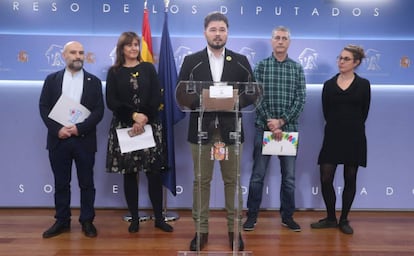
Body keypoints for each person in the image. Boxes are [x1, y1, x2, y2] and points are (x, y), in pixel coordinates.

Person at [177, 12, 254, 251]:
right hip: (201, 131)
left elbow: (251, 92)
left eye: (222, 29)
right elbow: (182, 93)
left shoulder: (241, 60)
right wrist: (205, 102)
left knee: (233, 182)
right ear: (205, 32)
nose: (218, 34)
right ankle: (201, 232)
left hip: (231, 131)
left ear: (227, 32)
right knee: (201, 182)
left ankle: (235, 232)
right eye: (213, 29)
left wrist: (233, 102)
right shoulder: (192, 60)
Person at [105, 31, 173, 233]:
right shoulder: (114, 72)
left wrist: (144, 117)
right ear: (122, 49)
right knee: (130, 174)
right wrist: (133, 117)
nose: (133, 48)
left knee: (153, 174)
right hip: (125, 127)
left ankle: (159, 218)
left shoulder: (148, 68)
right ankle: (134, 219)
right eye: (129, 45)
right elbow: (112, 101)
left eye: (136, 44)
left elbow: (156, 96)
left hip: (150, 125)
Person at [243, 26, 306, 232]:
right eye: (277, 38)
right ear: (272, 41)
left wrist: (281, 122)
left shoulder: (297, 69)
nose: (280, 41)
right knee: (257, 176)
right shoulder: (261, 66)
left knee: (289, 178)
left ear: (289, 42)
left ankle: (287, 217)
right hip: (264, 128)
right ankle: (251, 216)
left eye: (284, 38)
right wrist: (271, 121)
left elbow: (300, 99)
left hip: (289, 131)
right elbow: (256, 96)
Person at [39, 41, 104, 238]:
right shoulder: (51, 80)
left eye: (81, 53)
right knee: (61, 183)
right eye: (73, 52)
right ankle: (62, 220)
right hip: (59, 140)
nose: (78, 56)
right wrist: (58, 130)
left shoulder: (94, 81)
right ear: (64, 56)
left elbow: (98, 111)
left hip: (84, 139)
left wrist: (79, 128)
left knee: (86, 183)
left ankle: (87, 221)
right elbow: (43, 107)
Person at [311, 45, 370, 235]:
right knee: (326, 177)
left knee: (350, 178)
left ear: (356, 63)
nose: (341, 62)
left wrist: (350, 125)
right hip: (333, 136)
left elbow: (364, 112)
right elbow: (326, 112)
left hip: (354, 137)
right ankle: (330, 217)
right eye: (340, 58)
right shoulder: (328, 84)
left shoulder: (364, 84)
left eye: (346, 59)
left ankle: (344, 219)